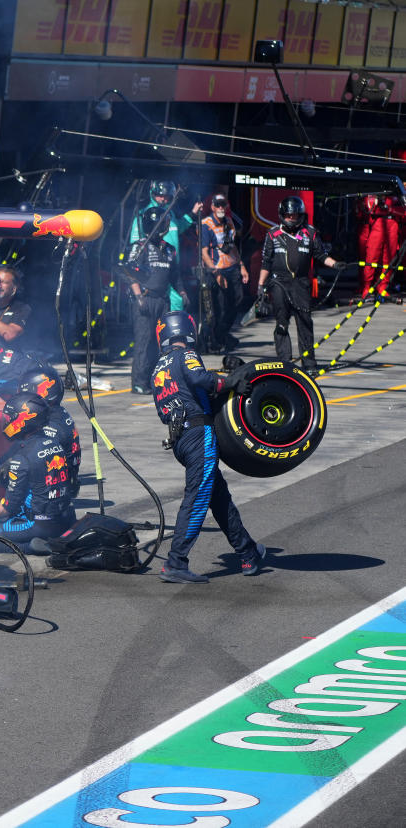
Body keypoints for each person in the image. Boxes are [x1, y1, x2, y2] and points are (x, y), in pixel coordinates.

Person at [151, 312, 266, 583]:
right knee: (198, 498)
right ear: (188, 330)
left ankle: (248, 552)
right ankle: (176, 562)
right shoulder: (186, 354)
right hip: (199, 435)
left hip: (180, 439)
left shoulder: (157, 368)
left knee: (219, 498)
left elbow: (178, 401)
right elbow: (201, 380)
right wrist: (230, 382)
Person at [0, 391, 76, 550]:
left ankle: (32, 547)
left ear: (23, 420)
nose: (6, 422)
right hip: (67, 518)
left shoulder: (22, 458)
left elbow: (9, 507)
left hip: (42, 525)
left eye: (9, 418)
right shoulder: (55, 444)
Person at [258, 196, 343, 376]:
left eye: (295, 215)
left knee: (305, 322)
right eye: (288, 215)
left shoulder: (310, 233)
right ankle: (284, 362)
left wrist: (335, 264)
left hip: (301, 284)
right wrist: (260, 286)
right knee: (281, 322)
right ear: (282, 215)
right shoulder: (272, 234)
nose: (292, 218)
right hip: (278, 282)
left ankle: (309, 364)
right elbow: (266, 262)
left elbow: (321, 255)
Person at [125, 206, 178, 394]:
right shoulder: (139, 247)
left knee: (162, 342)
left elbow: (175, 275)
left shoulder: (169, 249)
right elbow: (129, 271)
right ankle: (139, 382)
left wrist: (183, 292)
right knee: (144, 342)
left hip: (163, 301)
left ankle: (157, 380)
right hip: (145, 300)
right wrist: (138, 296)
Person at [128, 181, 203, 311]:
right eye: (159, 195)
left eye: (166, 196)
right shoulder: (143, 215)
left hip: (171, 267)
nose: (163, 199)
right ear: (152, 194)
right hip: (152, 270)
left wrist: (193, 213)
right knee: (174, 305)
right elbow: (135, 244)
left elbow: (178, 227)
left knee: (176, 304)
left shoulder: (170, 214)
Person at [18, 364, 80, 501]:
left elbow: (38, 456)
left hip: (51, 492)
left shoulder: (50, 424)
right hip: (65, 482)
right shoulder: (57, 413)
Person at [199, 194, 250, 353]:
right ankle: (215, 340)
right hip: (216, 270)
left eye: (223, 204)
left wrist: (242, 266)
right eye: (218, 205)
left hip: (232, 268)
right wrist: (216, 273)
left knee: (236, 303)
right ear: (212, 207)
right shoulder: (206, 224)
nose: (221, 207)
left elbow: (232, 246)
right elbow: (204, 253)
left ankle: (221, 336)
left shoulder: (229, 222)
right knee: (219, 308)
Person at [356, 194, 400, 297]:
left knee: (389, 259)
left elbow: (403, 210)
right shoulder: (374, 192)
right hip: (378, 222)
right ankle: (367, 287)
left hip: (393, 223)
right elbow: (369, 208)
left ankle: (382, 287)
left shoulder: (397, 191)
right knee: (372, 256)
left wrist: (391, 209)